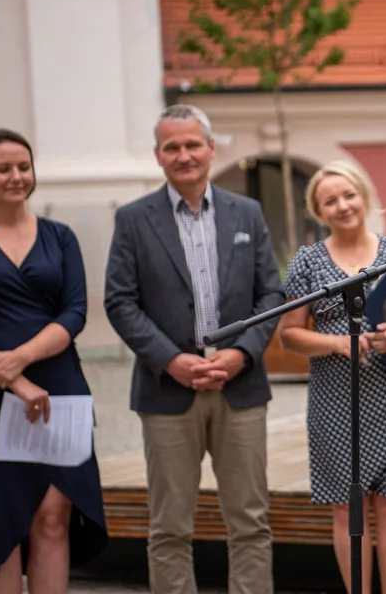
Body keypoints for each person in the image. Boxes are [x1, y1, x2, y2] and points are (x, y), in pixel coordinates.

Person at [103, 104, 285, 594]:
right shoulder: (133, 219)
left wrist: (242, 353)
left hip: (240, 387)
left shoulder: (246, 212)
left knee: (250, 520)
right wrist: (170, 360)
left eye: (192, 144)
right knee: (169, 526)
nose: (183, 155)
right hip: (167, 391)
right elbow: (120, 302)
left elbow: (272, 292)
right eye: (172, 147)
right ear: (158, 155)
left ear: (210, 148)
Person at [0, 128, 109, 593]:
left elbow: (74, 312)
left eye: (24, 167)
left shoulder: (60, 236)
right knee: (1, 523)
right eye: (3, 168)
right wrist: (14, 380)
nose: (16, 176)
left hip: (58, 386)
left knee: (54, 515)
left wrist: (22, 361)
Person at [277, 160, 386, 594]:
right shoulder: (308, 261)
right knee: (345, 510)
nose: (342, 205)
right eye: (330, 200)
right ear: (319, 210)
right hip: (334, 400)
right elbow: (290, 334)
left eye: (348, 195)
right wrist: (336, 344)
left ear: (364, 197)